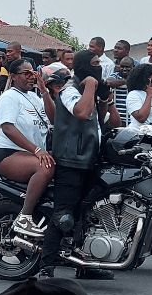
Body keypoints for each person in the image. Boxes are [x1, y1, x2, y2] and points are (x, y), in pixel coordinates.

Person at [39, 50, 121, 280]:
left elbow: (102, 120)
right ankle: (46, 267)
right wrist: (93, 86)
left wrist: (104, 100)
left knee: (88, 214)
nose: (98, 68)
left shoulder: (87, 90)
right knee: (64, 214)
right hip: (71, 161)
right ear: (84, 66)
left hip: (90, 159)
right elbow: (82, 113)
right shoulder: (69, 89)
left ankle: (85, 264)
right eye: (94, 64)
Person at [0, 59, 56, 236]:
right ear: (13, 76)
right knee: (45, 166)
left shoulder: (35, 96)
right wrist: (36, 150)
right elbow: (8, 128)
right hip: (8, 153)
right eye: (26, 74)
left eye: (33, 73)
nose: (31, 77)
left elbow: (53, 118)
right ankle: (25, 217)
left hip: (30, 153)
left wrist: (44, 91)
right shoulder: (9, 97)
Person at [126, 63, 152, 129]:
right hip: (141, 135)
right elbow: (141, 118)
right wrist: (149, 96)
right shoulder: (134, 95)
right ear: (144, 80)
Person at [106, 57, 134, 126]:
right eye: (122, 66)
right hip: (116, 117)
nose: (124, 69)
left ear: (133, 67)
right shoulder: (115, 75)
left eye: (127, 67)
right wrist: (127, 81)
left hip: (131, 118)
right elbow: (109, 82)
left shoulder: (136, 77)